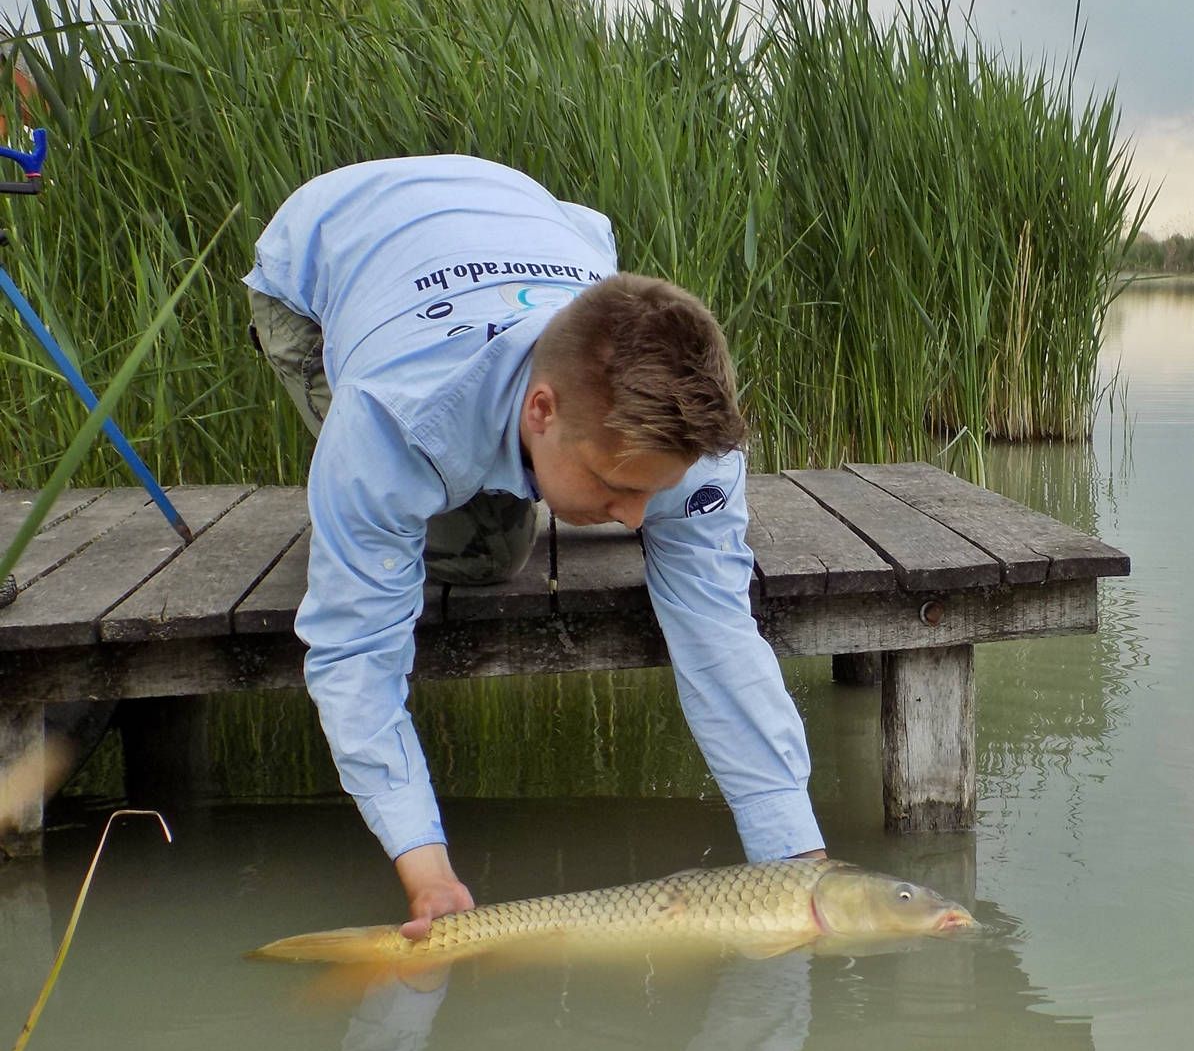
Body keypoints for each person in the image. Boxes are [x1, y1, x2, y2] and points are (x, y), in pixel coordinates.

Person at [244, 155, 824, 939]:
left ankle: (484, 487)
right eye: (615, 486)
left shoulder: (701, 447)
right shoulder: (390, 418)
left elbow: (719, 634)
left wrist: (796, 863)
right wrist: (427, 871)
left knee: (541, 515)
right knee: (478, 555)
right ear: (543, 409)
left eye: (652, 491)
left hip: (526, 214)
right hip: (323, 249)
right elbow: (353, 655)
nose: (631, 521)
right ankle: (363, 519)